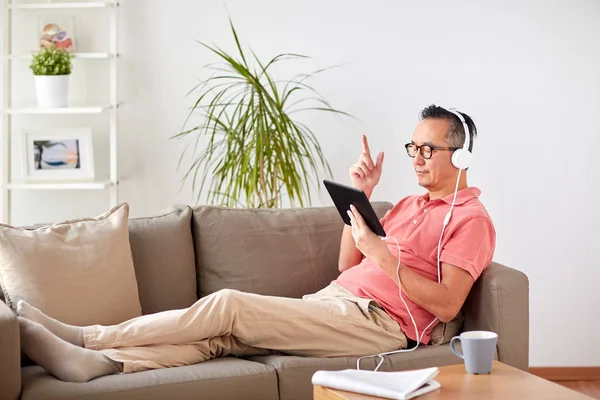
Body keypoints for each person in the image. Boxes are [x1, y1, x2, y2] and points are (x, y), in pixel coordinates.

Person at [16, 104, 495, 383]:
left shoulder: (471, 220)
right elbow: (346, 261)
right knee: (224, 338)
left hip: (381, 324)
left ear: (463, 154)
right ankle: (101, 364)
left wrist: (385, 257)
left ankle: (87, 335)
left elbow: (450, 305)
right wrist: (363, 204)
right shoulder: (410, 205)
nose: (417, 157)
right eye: (414, 147)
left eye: (428, 149)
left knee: (228, 307)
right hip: (339, 301)